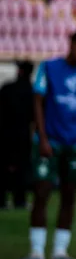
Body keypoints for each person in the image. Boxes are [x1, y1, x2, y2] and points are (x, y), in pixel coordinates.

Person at [23, 30, 76, 259]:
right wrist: (42, 137)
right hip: (51, 140)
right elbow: (38, 102)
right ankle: (36, 251)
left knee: (70, 196)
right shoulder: (49, 67)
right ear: (71, 45)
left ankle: (60, 251)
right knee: (42, 192)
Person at [1, 60, 35, 210]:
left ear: (19, 71)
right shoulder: (32, 91)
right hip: (23, 134)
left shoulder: (7, 88)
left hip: (4, 133)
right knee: (22, 167)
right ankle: (19, 200)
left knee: (3, 166)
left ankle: (1, 201)